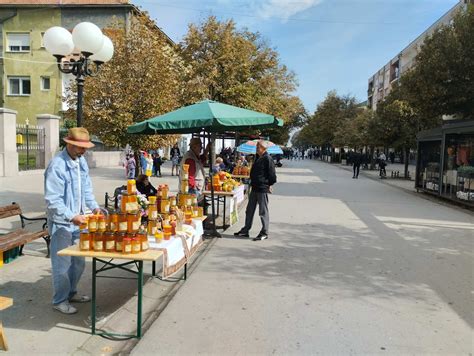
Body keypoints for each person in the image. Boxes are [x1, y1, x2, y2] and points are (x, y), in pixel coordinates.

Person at [44, 127, 100, 314]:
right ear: (68, 143)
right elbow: (53, 200)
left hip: (79, 221)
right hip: (62, 224)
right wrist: (71, 216)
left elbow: (86, 190)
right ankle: (59, 301)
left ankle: (71, 292)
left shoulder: (81, 162)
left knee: (78, 262)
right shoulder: (57, 166)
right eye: (79, 147)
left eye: (85, 147)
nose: (83, 150)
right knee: (62, 265)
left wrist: (94, 207)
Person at [234, 140, 277, 241]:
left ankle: (264, 232)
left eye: (259, 147)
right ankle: (245, 230)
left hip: (262, 188)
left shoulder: (267, 158)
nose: (257, 148)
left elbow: (272, 175)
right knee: (249, 210)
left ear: (264, 148)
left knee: (263, 211)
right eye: (257, 146)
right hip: (254, 187)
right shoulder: (258, 157)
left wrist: (270, 184)